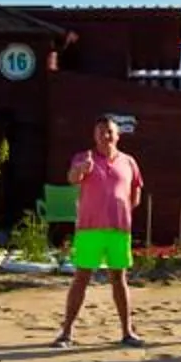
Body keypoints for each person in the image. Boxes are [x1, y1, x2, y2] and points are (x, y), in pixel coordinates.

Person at [53, 115, 144, 348]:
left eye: (110, 132)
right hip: (89, 229)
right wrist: (82, 170)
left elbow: (135, 194)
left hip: (119, 230)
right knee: (81, 278)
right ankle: (66, 333)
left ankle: (127, 332)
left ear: (117, 135)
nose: (106, 136)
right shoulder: (84, 157)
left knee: (119, 278)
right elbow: (72, 178)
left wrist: (119, 210)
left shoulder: (129, 161)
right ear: (94, 136)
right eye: (101, 132)